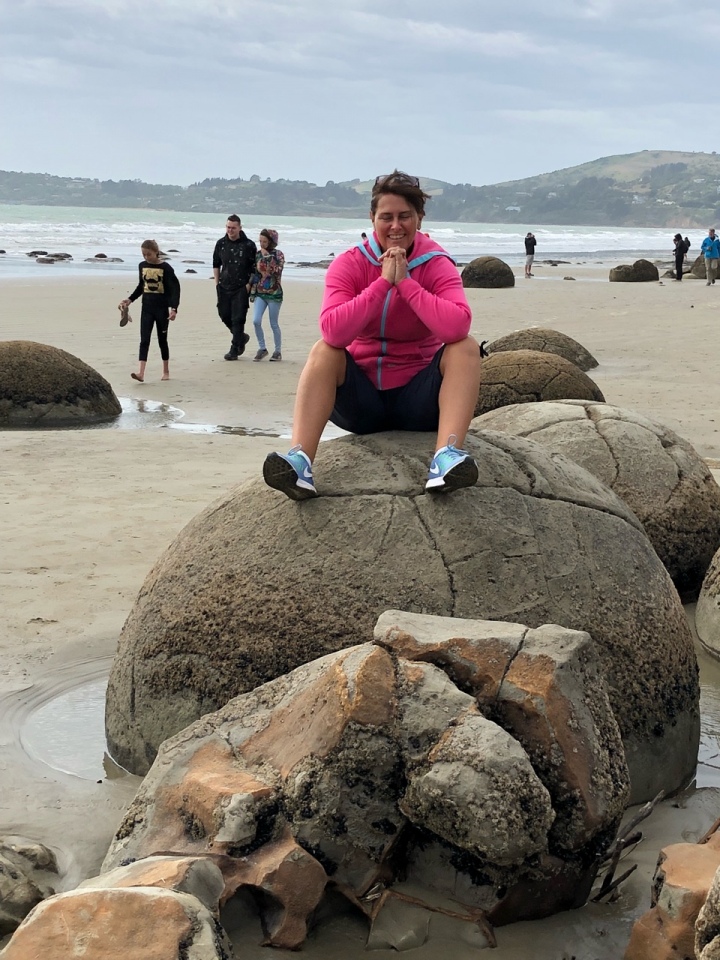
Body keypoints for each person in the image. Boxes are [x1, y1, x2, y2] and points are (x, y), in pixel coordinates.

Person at [262, 170, 482, 501]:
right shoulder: (350, 263)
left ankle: (446, 456)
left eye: (404, 216)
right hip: (361, 402)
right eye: (386, 217)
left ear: (419, 218)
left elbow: (456, 326)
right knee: (324, 350)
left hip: (419, 401)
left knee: (465, 347)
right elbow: (334, 332)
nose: (396, 226)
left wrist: (406, 283)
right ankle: (300, 461)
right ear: (372, 218)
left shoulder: (436, 263)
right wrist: (382, 283)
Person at [119, 240, 179, 382]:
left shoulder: (166, 268)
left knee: (162, 340)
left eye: (149, 254)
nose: (146, 257)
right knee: (144, 340)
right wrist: (130, 300)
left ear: (156, 252)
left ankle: (166, 371)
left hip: (162, 310)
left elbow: (175, 289)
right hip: (147, 308)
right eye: (144, 254)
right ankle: (141, 373)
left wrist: (174, 308)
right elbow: (141, 286)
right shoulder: (142, 266)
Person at [213, 215, 257, 360]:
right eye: (228, 227)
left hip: (241, 287)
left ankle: (234, 349)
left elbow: (254, 267)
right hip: (224, 285)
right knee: (224, 314)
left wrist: (249, 285)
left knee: (238, 318)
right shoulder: (221, 243)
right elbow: (216, 264)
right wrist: (217, 284)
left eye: (233, 228)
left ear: (239, 228)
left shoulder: (249, 245)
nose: (230, 230)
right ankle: (241, 337)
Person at [250, 229, 284, 361]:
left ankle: (277, 351)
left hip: (274, 294)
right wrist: (252, 290)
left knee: (273, 323)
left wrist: (268, 258)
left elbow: (277, 271)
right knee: (256, 321)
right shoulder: (257, 254)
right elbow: (255, 273)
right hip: (260, 293)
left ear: (271, 242)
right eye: (260, 241)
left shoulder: (279, 254)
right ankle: (262, 348)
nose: (262, 244)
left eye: (265, 241)